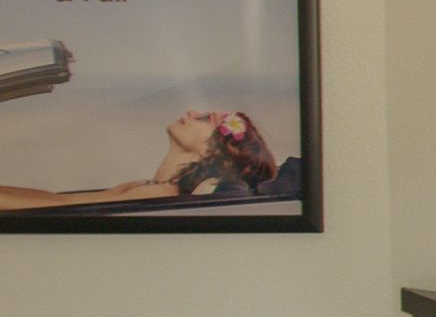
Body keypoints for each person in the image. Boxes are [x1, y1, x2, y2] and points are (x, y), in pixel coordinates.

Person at [0, 109, 277, 209]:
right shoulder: (150, 186)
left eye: (205, 118)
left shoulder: (158, 194)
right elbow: (58, 201)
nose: (191, 112)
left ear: (211, 150)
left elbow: (58, 208)